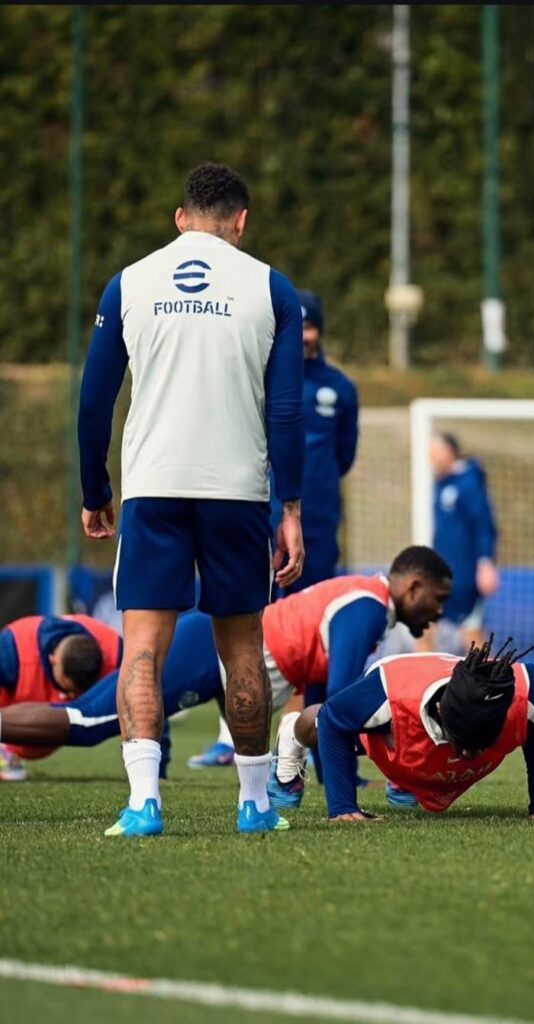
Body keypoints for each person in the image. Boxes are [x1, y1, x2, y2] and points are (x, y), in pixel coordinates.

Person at [77, 163, 305, 837]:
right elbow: (286, 411)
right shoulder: (272, 287)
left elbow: (94, 402)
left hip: (153, 488)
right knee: (242, 651)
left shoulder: (131, 282)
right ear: (241, 222)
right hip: (236, 493)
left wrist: (97, 491)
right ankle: (255, 805)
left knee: (142, 651)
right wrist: (288, 507)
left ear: (180, 219)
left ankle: (143, 804)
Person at [0, 549, 451, 782]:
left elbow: (319, 696)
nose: (438, 612)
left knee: (90, 718)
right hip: (214, 653)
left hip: (224, 656)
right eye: (438, 599)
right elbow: (340, 703)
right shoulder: (367, 607)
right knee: (88, 722)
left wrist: (341, 779)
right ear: (412, 588)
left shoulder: (369, 602)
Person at [189, 288, 359, 768]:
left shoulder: (340, 388)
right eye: (296, 327)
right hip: (256, 522)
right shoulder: (260, 381)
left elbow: (344, 456)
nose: (303, 336)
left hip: (318, 529)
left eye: (311, 326)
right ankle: (230, 735)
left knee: (322, 635)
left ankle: (324, 750)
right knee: (248, 628)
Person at [270, 636, 534, 823]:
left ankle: (407, 780)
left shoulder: (523, 695)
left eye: (481, 743)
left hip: (422, 744)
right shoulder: (386, 696)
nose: (471, 754)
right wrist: (343, 807)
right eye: (464, 743)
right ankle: (290, 733)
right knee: (317, 721)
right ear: (439, 712)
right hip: (393, 732)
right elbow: (333, 720)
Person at [0, 613, 121, 780]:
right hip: (12, 707)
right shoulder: (9, 652)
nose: (71, 697)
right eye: (67, 689)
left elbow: (150, 700)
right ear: (52, 660)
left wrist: (157, 768)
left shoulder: (116, 654)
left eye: (80, 692)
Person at [425, 432, 498, 653]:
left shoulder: (469, 482)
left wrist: (486, 563)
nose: (432, 458)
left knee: (472, 634)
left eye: (435, 452)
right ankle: (423, 683)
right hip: (441, 573)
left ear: (449, 451)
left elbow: (484, 525)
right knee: (423, 625)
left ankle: (495, 685)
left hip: (464, 575)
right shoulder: (441, 484)